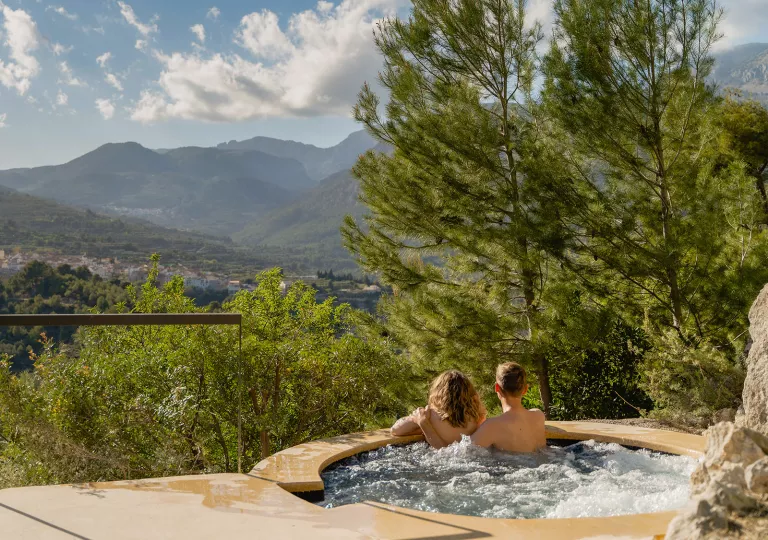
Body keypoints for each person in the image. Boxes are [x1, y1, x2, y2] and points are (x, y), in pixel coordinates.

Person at [391, 370, 486, 448]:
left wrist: (419, 419)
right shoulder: (477, 417)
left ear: (437, 393)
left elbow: (395, 430)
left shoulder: (430, 416)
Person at [470, 362, 546, 453]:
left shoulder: (492, 426)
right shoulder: (538, 416)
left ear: (497, 388)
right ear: (525, 389)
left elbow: (465, 452)